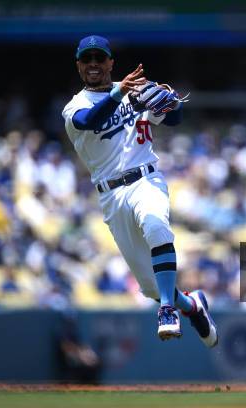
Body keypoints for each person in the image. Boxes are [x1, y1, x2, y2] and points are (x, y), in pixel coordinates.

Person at [62, 35, 218, 347]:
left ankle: (168, 310)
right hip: (111, 195)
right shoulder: (74, 106)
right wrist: (120, 92)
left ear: (110, 63)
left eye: (99, 58)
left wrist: (167, 101)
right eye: (87, 59)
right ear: (79, 66)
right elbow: (91, 121)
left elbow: (174, 118)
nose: (94, 64)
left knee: (156, 224)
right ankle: (192, 305)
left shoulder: (135, 89)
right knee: (149, 286)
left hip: (146, 178)